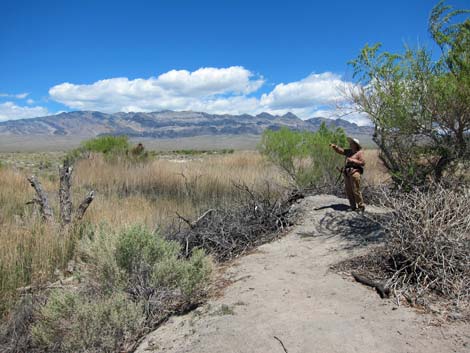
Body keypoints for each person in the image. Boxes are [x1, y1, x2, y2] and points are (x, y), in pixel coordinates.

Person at [329, 137, 366, 212]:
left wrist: (353, 160)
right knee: (348, 190)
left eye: (351, 143)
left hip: (355, 173)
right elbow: (341, 151)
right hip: (347, 173)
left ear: (355, 145)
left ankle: (361, 206)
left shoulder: (359, 152)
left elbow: (363, 163)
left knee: (356, 190)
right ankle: (353, 206)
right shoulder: (349, 151)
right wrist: (335, 147)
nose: (350, 144)